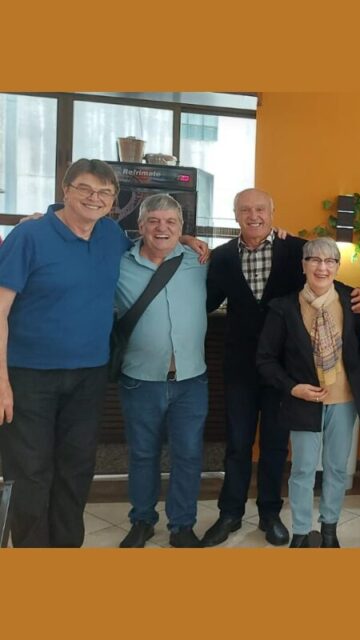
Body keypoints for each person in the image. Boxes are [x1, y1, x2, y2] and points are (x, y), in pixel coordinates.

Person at [0, 159, 206, 547]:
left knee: (77, 468)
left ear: (113, 201)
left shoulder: (111, 236)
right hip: (29, 375)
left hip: (89, 376)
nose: (94, 198)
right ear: (65, 190)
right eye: (85, 189)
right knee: (29, 471)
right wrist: (2, 382)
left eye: (105, 193)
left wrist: (187, 239)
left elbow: (153, 242)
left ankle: (66, 549)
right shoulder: (28, 236)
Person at [202, 188, 360, 547]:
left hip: (285, 372)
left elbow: (322, 275)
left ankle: (269, 513)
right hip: (241, 368)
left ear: (272, 213)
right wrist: (189, 248)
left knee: (276, 445)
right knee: (237, 444)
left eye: (260, 209)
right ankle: (230, 513)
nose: (254, 216)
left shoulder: (293, 248)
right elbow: (206, 301)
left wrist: (356, 294)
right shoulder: (222, 257)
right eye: (245, 210)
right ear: (235, 215)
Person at [257, 238, 360, 548]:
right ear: (303, 265)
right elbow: (265, 359)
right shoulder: (284, 307)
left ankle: (329, 530)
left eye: (329, 261)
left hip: (344, 400)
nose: (322, 267)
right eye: (314, 260)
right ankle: (300, 532)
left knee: (336, 468)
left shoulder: (351, 300)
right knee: (303, 469)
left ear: (337, 266)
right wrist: (292, 387)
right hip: (304, 401)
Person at [115, 194, 208, 548]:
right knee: (142, 453)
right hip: (140, 380)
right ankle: (142, 520)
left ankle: (182, 525)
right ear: (140, 226)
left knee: (188, 455)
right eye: (153, 220)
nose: (162, 228)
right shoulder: (119, 263)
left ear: (182, 228)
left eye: (171, 222)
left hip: (191, 380)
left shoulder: (199, 261)